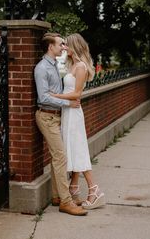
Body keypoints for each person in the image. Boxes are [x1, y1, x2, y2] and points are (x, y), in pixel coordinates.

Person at [34, 32, 87, 216]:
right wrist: (67, 103)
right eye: (60, 44)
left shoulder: (56, 65)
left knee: (56, 157)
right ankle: (66, 201)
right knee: (61, 156)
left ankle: (57, 196)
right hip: (47, 117)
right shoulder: (42, 68)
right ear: (50, 47)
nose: (63, 46)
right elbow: (43, 97)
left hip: (57, 116)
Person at [50, 33, 105, 210]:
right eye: (63, 44)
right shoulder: (72, 64)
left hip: (74, 113)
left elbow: (77, 94)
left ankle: (94, 190)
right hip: (68, 111)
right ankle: (73, 188)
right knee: (72, 149)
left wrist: (53, 96)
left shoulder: (80, 66)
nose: (64, 47)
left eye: (67, 44)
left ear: (75, 46)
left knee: (78, 149)